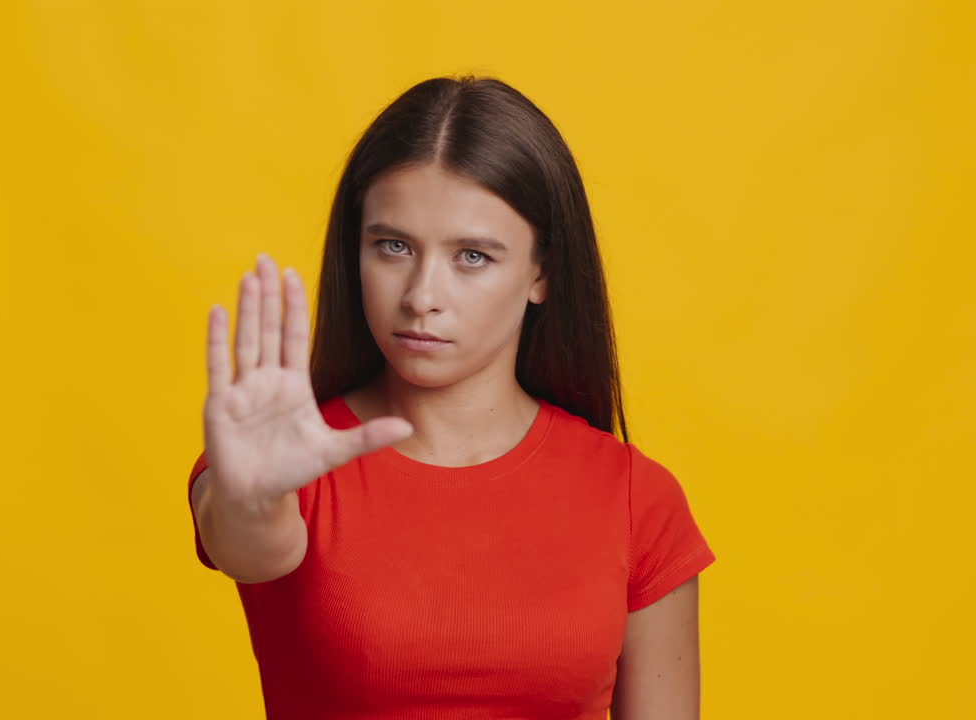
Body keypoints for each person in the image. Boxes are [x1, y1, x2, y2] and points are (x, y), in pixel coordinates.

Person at [186, 74, 716, 719]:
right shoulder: (281, 464)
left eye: (472, 256)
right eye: (393, 246)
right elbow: (250, 546)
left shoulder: (635, 497)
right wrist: (250, 497)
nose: (421, 296)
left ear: (542, 273)